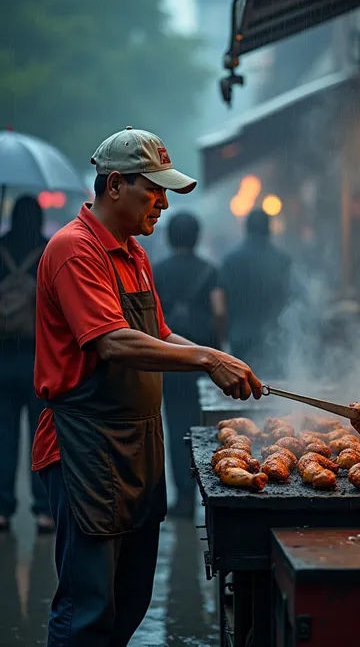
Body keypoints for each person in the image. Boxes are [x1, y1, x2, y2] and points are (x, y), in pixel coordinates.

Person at [32, 127, 262, 647]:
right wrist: (205, 357)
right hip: (84, 447)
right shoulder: (75, 250)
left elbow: (155, 333)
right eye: (153, 190)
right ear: (115, 185)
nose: (162, 203)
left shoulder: (133, 254)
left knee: (130, 600)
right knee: (87, 608)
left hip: (136, 445)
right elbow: (112, 343)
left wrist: (217, 357)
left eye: (166, 193)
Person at [153, 212, 224, 518]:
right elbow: (219, 311)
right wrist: (218, 347)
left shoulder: (156, 271)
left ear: (170, 237)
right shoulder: (210, 271)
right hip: (200, 358)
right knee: (201, 426)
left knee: (174, 424)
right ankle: (203, 491)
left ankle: (181, 495)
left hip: (168, 356)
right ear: (197, 236)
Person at [0, 196, 53, 534]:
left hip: (2, 356)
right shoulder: (50, 251)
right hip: (40, 358)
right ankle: (44, 510)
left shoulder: (0, 248)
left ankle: (2, 509)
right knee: (42, 437)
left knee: (3, 435)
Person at [219, 208, 292, 377]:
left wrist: (223, 337)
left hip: (240, 336)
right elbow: (291, 299)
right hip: (275, 338)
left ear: (246, 228)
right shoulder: (283, 261)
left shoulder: (231, 260)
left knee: (242, 392)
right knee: (274, 392)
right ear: (269, 229)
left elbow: (221, 303)